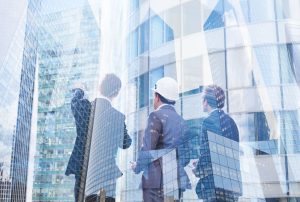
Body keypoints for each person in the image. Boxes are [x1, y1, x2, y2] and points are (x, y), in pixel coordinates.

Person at [131, 77, 191, 202]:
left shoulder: (155, 116)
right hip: (176, 180)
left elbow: (147, 149)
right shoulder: (182, 122)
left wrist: (137, 166)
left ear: (157, 96)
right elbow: (186, 157)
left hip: (156, 183)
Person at [85, 74, 132, 202]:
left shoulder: (87, 109)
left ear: (100, 88)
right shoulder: (117, 117)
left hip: (87, 173)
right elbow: (126, 143)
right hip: (106, 174)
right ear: (116, 93)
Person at [193, 85, 242, 201]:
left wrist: (198, 169)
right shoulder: (231, 122)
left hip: (215, 187)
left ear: (206, 102)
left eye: (202, 100)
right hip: (232, 186)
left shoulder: (208, 121)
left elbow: (207, 154)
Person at [65, 86, 91, 202]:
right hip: (91, 150)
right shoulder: (90, 106)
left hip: (83, 149)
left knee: (79, 181)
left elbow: (74, 103)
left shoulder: (84, 105)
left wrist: (78, 92)